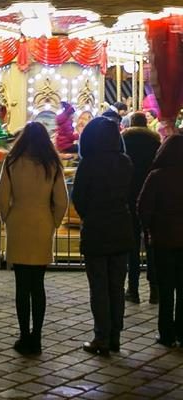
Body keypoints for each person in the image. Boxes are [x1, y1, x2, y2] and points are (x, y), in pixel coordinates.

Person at [0, 121, 68, 355]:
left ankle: (23, 334)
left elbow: (2, 196)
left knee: (21, 285)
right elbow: (62, 200)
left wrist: (8, 217)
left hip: (18, 222)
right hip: (42, 223)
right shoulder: (52, 163)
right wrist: (53, 221)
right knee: (38, 285)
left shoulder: (12, 162)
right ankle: (36, 335)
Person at [72, 117, 134, 355]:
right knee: (116, 286)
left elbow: (79, 197)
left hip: (96, 230)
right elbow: (130, 194)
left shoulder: (88, 164)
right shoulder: (125, 162)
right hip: (121, 228)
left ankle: (102, 336)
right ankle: (115, 335)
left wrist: (89, 214)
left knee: (99, 286)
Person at [138, 136, 183, 347]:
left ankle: (166, 333)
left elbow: (143, 206)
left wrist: (148, 228)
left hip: (163, 239)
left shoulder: (157, 176)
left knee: (166, 289)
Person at [122, 112, 160, 304]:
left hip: (130, 197)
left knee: (132, 245)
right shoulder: (155, 142)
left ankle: (133, 288)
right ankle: (155, 289)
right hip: (150, 197)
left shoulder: (124, 141)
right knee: (151, 243)